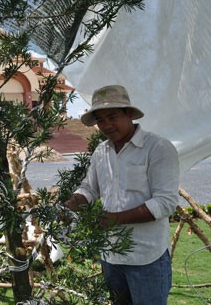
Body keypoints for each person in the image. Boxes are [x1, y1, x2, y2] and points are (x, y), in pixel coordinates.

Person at [64, 85, 179, 305]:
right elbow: (90, 188)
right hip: (111, 256)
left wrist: (114, 220)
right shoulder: (101, 152)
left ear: (128, 113)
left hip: (147, 258)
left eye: (112, 116)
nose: (106, 125)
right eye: (100, 120)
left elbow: (165, 203)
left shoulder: (157, 148)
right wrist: (74, 201)